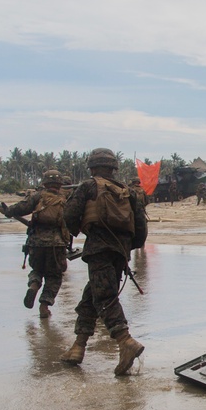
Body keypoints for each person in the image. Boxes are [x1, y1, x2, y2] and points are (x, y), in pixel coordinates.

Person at [60, 148, 148, 375]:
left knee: (105, 297)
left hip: (98, 249)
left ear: (91, 167)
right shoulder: (128, 192)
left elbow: (69, 217)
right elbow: (141, 230)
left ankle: (126, 341)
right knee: (92, 297)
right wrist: (127, 247)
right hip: (120, 252)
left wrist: (84, 230)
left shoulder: (88, 187)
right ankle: (78, 347)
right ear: (113, 168)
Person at [0, 169, 70, 318]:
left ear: (44, 183)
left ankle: (34, 285)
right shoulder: (66, 199)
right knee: (54, 276)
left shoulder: (37, 197)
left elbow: (19, 208)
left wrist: (6, 210)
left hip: (36, 242)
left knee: (36, 270)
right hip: (57, 244)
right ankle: (44, 306)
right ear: (60, 184)